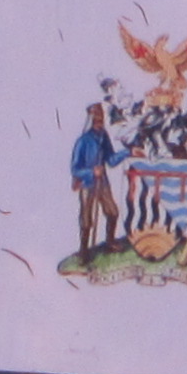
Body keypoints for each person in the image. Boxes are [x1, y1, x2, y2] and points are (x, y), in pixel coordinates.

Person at [70, 100, 120, 259]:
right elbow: (75, 169)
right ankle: (84, 251)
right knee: (86, 218)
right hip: (87, 184)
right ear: (91, 121)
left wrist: (128, 152)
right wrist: (92, 172)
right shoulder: (83, 141)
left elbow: (111, 160)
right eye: (96, 120)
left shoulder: (103, 137)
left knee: (112, 212)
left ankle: (110, 242)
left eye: (101, 119)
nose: (100, 123)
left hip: (102, 182)